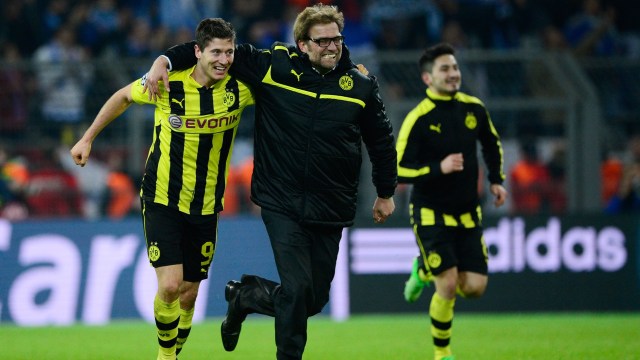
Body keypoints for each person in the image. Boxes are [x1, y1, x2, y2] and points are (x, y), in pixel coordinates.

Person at [143, 4, 397, 359]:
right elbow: (213, 50)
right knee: (296, 290)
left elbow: (381, 140)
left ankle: (246, 295)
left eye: (336, 39)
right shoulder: (274, 67)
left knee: (311, 300)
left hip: (332, 205)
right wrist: (164, 62)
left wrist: (385, 191)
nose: (331, 46)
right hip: (282, 201)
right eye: (321, 40)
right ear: (302, 43)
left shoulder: (359, 84)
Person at [70, 18, 254, 360]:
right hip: (161, 198)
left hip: (207, 203)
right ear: (197, 52)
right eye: (216, 51)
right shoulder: (167, 83)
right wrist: (87, 138)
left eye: (229, 52)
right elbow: (124, 96)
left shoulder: (241, 87)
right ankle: (165, 356)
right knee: (169, 286)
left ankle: (173, 349)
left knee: (188, 295)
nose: (223, 59)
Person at [396, 43, 507, 360]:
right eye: (445, 69)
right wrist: (438, 168)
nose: (453, 74)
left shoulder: (474, 108)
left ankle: (422, 269)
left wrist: (497, 180)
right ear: (427, 78)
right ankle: (442, 353)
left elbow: (491, 144)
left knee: (474, 287)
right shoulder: (418, 118)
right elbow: (398, 170)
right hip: (431, 213)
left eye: (455, 68)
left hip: (468, 212)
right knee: (446, 284)